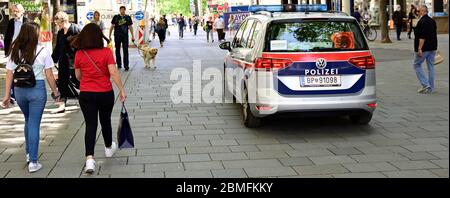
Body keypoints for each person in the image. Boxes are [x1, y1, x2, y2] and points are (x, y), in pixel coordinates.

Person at [1, 22, 59, 173]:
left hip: (20, 91)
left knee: (27, 120)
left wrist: (7, 95)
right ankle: (33, 161)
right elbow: (49, 75)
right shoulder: (42, 50)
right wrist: (55, 92)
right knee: (34, 123)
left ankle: (28, 154)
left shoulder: (15, 50)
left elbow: (9, 73)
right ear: (35, 34)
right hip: (37, 90)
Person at [71, 23, 127, 174]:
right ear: (98, 37)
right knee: (105, 120)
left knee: (90, 125)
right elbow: (114, 73)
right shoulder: (106, 52)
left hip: (86, 94)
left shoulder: (79, 54)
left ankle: (89, 160)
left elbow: (78, 76)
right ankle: (108, 148)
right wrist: (121, 90)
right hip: (105, 93)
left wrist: (88, 78)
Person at [52, 11, 81, 114]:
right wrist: (52, 60)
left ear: (64, 21)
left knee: (77, 80)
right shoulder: (60, 32)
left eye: (58, 22)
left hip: (75, 61)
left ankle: (84, 98)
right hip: (63, 61)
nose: (57, 25)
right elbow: (58, 48)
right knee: (62, 82)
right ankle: (62, 103)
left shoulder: (75, 29)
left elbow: (81, 46)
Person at [3, 4, 28, 106]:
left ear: (22, 11)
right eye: (13, 11)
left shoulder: (27, 22)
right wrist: (7, 51)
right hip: (13, 51)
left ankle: (22, 94)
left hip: (24, 52)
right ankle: (12, 95)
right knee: (10, 72)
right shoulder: (11, 22)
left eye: (16, 11)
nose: (14, 13)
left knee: (23, 72)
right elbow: (7, 37)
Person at [413, 5, 438, 94]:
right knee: (431, 67)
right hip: (432, 48)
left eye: (419, 11)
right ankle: (430, 87)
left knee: (416, 65)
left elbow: (422, 37)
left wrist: (419, 48)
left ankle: (425, 85)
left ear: (423, 11)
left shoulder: (422, 22)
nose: (418, 13)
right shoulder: (432, 21)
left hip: (424, 48)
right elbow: (434, 34)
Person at [109, 6, 134, 71]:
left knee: (125, 50)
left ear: (125, 10)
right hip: (117, 35)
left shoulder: (128, 17)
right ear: (119, 10)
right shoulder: (116, 17)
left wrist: (133, 35)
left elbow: (130, 27)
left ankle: (126, 65)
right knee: (117, 50)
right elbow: (112, 26)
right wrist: (109, 35)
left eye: (123, 10)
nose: (122, 11)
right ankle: (119, 64)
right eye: (121, 10)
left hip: (125, 36)